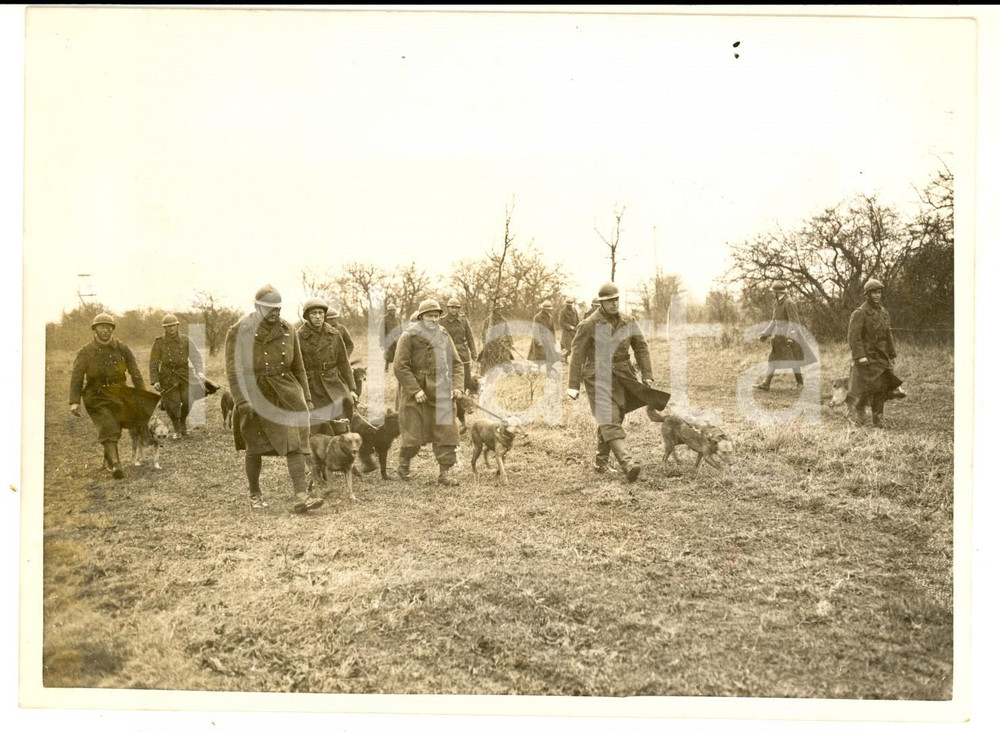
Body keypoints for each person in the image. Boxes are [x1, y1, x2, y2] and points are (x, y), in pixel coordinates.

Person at [225, 285, 323, 512]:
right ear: (257, 307)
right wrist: (241, 400)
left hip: (285, 394)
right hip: (254, 393)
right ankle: (255, 493)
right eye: (270, 309)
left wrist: (306, 398)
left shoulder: (288, 329)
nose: (275, 314)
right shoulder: (239, 330)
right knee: (254, 447)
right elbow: (233, 370)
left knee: (295, 443)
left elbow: (299, 367)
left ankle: (301, 496)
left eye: (278, 309)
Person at [567, 282, 670, 482]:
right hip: (597, 376)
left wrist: (646, 374)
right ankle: (627, 463)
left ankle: (600, 461)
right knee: (608, 417)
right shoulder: (589, 324)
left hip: (623, 376)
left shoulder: (629, 321)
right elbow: (577, 354)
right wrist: (572, 385)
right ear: (601, 304)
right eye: (609, 301)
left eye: (616, 300)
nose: (614, 304)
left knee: (616, 416)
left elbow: (640, 347)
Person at [69, 312, 154, 480]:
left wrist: (142, 393)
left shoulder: (122, 348)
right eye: (101, 327)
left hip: (119, 392)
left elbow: (134, 371)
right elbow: (77, 377)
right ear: (95, 329)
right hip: (95, 395)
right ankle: (116, 465)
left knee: (117, 425)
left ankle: (109, 457)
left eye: (108, 327)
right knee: (108, 425)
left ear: (113, 329)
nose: (105, 330)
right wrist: (74, 401)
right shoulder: (86, 351)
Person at [394, 299, 465, 485]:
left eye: (436, 316)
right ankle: (404, 464)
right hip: (416, 389)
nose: (433, 319)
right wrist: (414, 390)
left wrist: (457, 386)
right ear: (421, 317)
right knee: (413, 434)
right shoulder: (408, 336)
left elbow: (457, 364)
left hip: (441, 387)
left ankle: (445, 473)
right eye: (429, 316)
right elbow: (400, 366)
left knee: (446, 431)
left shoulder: (443, 334)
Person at [847, 278, 906, 428]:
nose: (877, 296)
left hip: (881, 356)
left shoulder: (884, 312)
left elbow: (888, 334)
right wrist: (860, 357)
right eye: (873, 293)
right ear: (867, 295)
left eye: (879, 292)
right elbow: (854, 338)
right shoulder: (859, 313)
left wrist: (892, 354)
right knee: (861, 389)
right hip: (866, 356)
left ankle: (878, 418)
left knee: (880, 388)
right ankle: (859, 417)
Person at [298, 298, 358, 435]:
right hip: (312, 386)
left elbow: (343, 363)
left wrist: (352, 388)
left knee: (341, 425)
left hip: (334, 383)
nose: (318, 316)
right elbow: (296, 367)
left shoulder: (334, 334)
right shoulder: (299, 337)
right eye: (314, 313)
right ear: (307, 316)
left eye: (320, 313)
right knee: (319, 429)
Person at [149, 313, 206, 439]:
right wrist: (155, 381)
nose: (171, 329)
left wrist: (199, 371)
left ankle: (182, 422)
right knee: (173, 404)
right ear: (164, 328)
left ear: (177, 326)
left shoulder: (186, 340)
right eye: (168, 326)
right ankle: (177, 429)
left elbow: (196, 357)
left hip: (184, 374)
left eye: (173, 326)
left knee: (188, 399)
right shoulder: (159, 342)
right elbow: (153, 362)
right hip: (167, 376)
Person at [755, 282, 814, 391]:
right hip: (778, 337)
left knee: (793, 359)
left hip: (788, 337)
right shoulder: (778, 302)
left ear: (777, 292)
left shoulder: (789, 302)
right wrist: (765, 334)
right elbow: (774, 321)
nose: (772, 293)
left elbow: (794, 321)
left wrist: (790, 337)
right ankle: (766, 383)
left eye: (773, 292)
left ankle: (800, 384)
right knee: (773, 358)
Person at [440, 297, 478, 391]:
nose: (454, 310)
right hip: (447, 350)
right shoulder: (441, 321)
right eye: (452, 307)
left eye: (456, 308)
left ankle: (466, 391)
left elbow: (470, 337)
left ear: (458, 309)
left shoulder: (463, 321)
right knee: (449, 371)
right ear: (448, 308)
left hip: (462, 350)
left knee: (465, 371)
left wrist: (473, 352)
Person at [527, 300, 559, 374]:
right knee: (538, 358)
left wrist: (553, 340)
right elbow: (535, 330)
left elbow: (552, 329)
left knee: (550, 357)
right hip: (540, 339)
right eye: (547, 309)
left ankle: (549, 371)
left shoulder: (550, 317)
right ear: (543, 309)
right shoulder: (537, 317)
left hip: (548, 340)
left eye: (549, 309)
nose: (548, 311)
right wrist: (538, 342)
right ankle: (534, 373)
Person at [557, 299, 580, 364]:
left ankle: (564, 357)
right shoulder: (563, 312)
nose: (569, 306)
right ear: (566, 304)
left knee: (574, 346)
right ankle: (563, 357)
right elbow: (561, 322)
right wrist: (569, 327)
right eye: (568, 304)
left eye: (571, 304)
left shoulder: (574, 310)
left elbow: (577, 320)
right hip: (566, 332)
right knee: (567, 346)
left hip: (574, 331)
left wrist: (577, 327)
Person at [381, 304, 400, 373]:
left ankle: (397, 369)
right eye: (390, 310)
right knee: (388, 355)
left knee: (398, 354)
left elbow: (400, 328)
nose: (392, 312)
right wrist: (382, 342)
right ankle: (386, 368)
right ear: (388, 311)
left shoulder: (398, 318)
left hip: (397, 339)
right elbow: (382, 331)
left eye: (393, 310)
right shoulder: (384, 319)